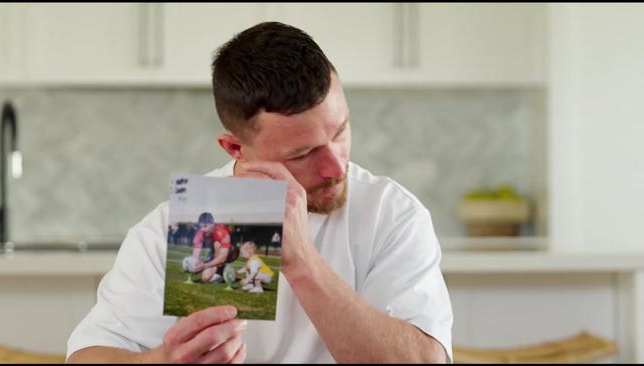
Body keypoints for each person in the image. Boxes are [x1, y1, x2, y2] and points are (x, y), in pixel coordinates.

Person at [66, 21, 453, 363]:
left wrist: (302, 261)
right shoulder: (171, 230)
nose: (336, 167)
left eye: (340, 132)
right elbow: (87, 356)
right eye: (303, 154)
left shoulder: (391, 213)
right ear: (235, 149)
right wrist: (162, 361)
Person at [191, 212, 232, 283]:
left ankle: (224, 269)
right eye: (201, 227)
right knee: (205, 278)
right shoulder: (199, 233)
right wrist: (194, 266)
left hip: (230, 252)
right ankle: (219, 275)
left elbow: (222, 257)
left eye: (205, 226)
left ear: (212, 224)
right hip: (214, 253)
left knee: (217, 244)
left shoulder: (221, 232)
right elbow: (195, 255)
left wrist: (205, 265)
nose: (202, 229)